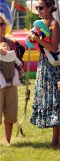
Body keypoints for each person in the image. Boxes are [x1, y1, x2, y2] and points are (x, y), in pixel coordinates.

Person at [27, 0, 60, 149]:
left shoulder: (54, 24)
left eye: (41, 7)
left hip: (55, 67)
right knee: (51, 103)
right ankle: (55, 139)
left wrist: (37, 39)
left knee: (58, 103)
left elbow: (53, 48)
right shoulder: (41, 24)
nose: (38, 10)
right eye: (37, 8)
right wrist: (33, 38)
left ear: (50, 8)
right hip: (45, 65)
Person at [0, 13, 24, 146]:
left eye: (2, 23)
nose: (1, 27)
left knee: (10, 113)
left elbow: (16, 59)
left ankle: (7, 141)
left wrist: (20, 69)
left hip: (10, 81)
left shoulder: (10, 43)